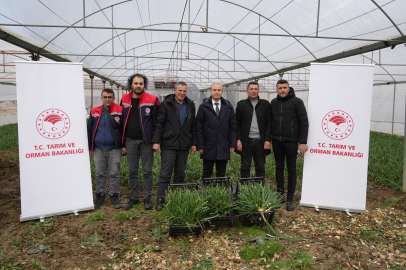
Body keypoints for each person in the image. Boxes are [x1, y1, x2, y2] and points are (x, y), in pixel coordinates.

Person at [152, 82, 197, 211]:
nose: (182, 93)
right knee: (165, 173)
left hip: (184, 144)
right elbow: (159, 123)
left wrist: (194, 143)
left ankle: (176, 197)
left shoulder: (190, 105)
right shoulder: (166, 105)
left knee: (180, 173)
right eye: (180, 90)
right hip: (169, 144)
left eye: (184, 91)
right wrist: (156, 141)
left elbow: (193, 126)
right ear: (174, 90)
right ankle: (160, 199)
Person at [121, 74, 160, 210]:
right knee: (132, 171)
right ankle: (134, 197)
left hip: (146, 142)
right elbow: (122, 122)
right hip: (130, 141)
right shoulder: (124, 99)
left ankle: (147, 198)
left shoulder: (152, 100)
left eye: (141, 83)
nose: (138, 86)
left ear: (144, 85)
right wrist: (123, 144)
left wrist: (156, 141)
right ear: (131, 84)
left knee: (147, 171)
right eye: (136, 83)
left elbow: (157, 123)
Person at [271, 79, 309, 211]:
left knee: (291, 169)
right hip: (276, 141)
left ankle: (289, 200)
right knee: (279, 168)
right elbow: (271, 121)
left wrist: (302, 142)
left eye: (284, 87)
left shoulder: (297, 102)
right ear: (276, 89)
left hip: (292, 142)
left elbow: (304, 122)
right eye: (280, 88)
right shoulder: (274, 102)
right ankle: (280, 196)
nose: (282, 90)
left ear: (289, 89)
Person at [87, 88, 124, 209]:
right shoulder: (94, 111)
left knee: (114, 173)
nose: (107, 99)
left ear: (114, 98)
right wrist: (90, 147)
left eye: (110, 97)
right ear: (101, 98)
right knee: (100, 173)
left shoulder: (120, 110)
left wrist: (123, 145)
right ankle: (100, 195)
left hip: (114, 148)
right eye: (105, 97)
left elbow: (124, 129)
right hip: (98, 148)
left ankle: (114, 195)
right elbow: (90, 130)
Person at [196, 83, 237, 179]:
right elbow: (198, 127)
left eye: (219, 90)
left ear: (222, 92)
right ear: (210, 91)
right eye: (214, 90)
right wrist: (200, 144)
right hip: (208, 144)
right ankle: (206, 191)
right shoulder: (203, 106)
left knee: (221, 172)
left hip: (224, 143)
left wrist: (232, 143)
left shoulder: (228, 107)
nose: (216, 92)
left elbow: (233, 126)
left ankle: (219, 191)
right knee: (207, 171)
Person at [236, 81, 272, 178]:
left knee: (260, 166)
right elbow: (237, 123)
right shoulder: (241, 105)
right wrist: (238, 139)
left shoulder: (265, 105)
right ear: (247, 91)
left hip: (260, 141)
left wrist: (267, 139)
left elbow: (269, 123)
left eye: (255, 89)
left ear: (258, 91)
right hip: (246, 140)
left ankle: (260, 190)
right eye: (251, 89)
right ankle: (244, 189)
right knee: (245, 166)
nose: (253, 91)